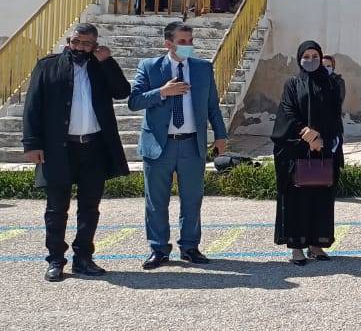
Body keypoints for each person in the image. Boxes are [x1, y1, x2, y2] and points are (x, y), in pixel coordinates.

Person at [22, 24, 130, 282]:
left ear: (95, 45)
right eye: (76, 42)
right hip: (59, 149)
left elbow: (122, 91)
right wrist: (32, 144)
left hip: (94, 147)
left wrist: (108, 62)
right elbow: (32, 106)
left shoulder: (100, 66)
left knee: (90, 207)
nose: (80, 47)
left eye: (86, 43)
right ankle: (55, 260)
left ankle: (83, 258)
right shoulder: (47, 66)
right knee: (56, 208)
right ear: (69, 41)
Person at [128, 21, 228, 270]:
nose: (188, 46)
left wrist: (220, 135)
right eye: (182, 42)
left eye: (190, 41)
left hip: (191, 144)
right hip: (159, 145)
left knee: (192, 199)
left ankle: (190, 247)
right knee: (156, 201)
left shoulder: (203, 68)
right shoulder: (149, 67)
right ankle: (158, 249)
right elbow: (134, 101)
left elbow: (212, 105)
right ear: (168, 44)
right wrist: (162, 92)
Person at [273, 40, 344, 265]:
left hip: (323, 150)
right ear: (299, 59)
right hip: (297, 149)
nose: (311, 60)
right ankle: (297, 248)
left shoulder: (331, 84)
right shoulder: (293, 84)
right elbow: (288, 111)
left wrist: (321, 138)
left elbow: (334, 115)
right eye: (306, 56)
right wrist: (308, 135)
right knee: (297, 199)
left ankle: (316, 245)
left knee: (321, 199)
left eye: (315, 56)